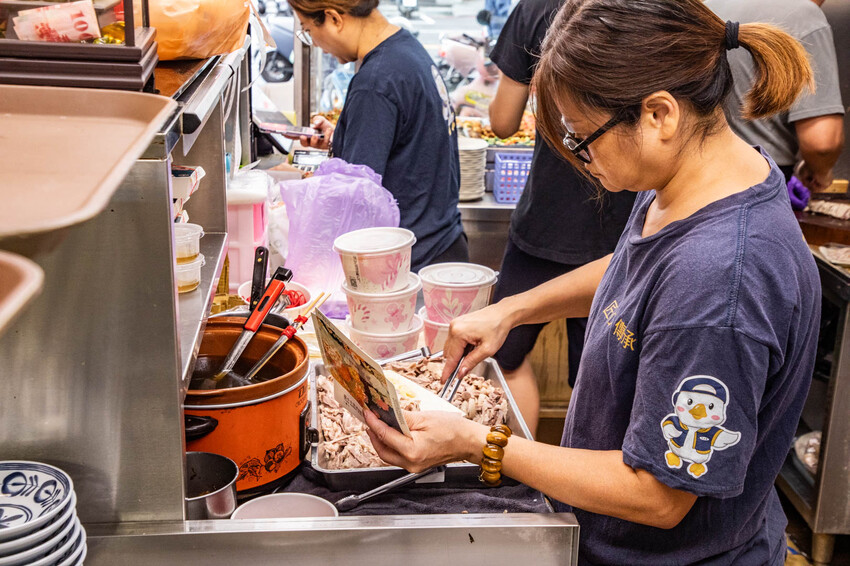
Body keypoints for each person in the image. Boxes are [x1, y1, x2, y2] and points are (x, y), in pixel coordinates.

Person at [362, 1, 821, 563]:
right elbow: (638, 269)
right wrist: (513, 310)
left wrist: (475, 443)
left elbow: (656, 495)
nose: (582, 160)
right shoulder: (695, 180)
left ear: (659, 115)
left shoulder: (722, 282)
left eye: (584, 139)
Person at [485, 0, 635, 433]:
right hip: (622, 225)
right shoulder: (645, 11)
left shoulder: (536, 8)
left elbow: (501, 120)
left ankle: (520, 485)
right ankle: (535, 478)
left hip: (549, 219)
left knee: (505, 359)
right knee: (601, 386)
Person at [289, 0, 468, 271]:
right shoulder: (406, 49)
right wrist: (345, 136)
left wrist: (299, 189)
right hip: (444, 245)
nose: (313, 42)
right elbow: (409, 143)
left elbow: (355, 204)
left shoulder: (374, 83)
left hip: (408, 266)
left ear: (334, 18)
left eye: (307, 30)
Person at [707, 0, 845, 191]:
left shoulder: (704, 7)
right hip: (758, 186)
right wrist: (818, 172)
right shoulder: (804, 15)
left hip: (686, 185)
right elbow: (821, 143)